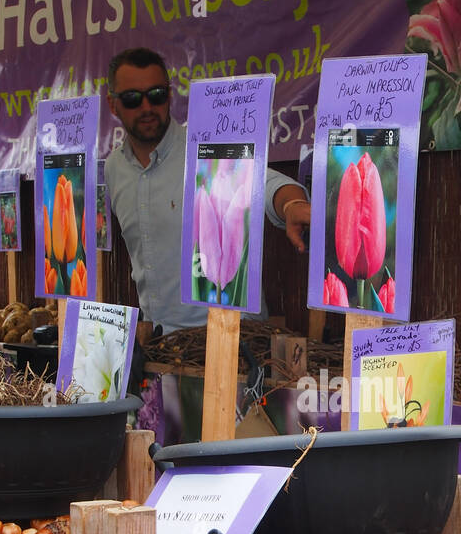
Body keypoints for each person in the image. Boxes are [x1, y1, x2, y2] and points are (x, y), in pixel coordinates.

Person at [104, 48, 311, 333]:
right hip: (160, 344)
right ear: (113, 105)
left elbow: (267, 183)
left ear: (169, 96)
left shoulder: (204, 149)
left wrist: (291, 205)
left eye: (156, 95)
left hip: (228, 339)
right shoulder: (114, 168)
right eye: (131, 99)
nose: (146, 107)